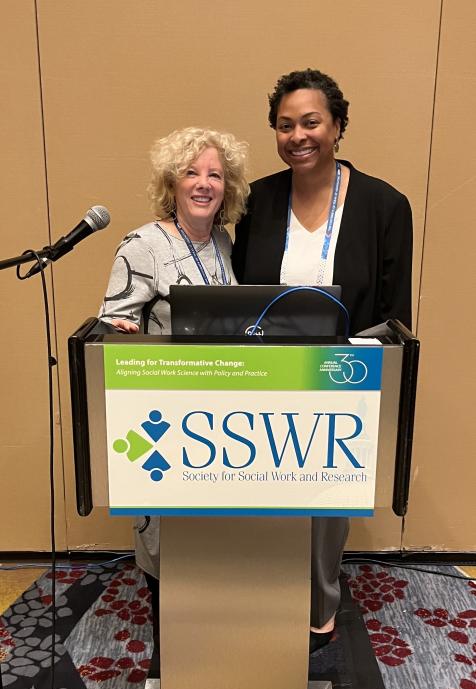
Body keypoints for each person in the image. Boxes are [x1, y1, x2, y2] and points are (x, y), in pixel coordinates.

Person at [232, 68, 413, 652]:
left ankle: (317, 609)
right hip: (264, 374)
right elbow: (234, 289)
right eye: (285, 126)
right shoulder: (258, 199)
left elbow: (393, 311)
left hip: (341, 375)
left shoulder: (385, 204)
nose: (297, 136)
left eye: (311, 122)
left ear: (337, 126)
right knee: (261, 491)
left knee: (324, 503)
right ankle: (260, 596)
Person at [99, 126, 249, 651]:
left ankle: (209, 642)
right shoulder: (144, 245)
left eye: (215, 174)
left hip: (220, 420)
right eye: (192, 172)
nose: (204, 183)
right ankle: (169, 652)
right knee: (166, 536)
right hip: (163, 419)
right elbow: (112, 326)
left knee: (211, 536)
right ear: (172, 182)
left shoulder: (225, 244)